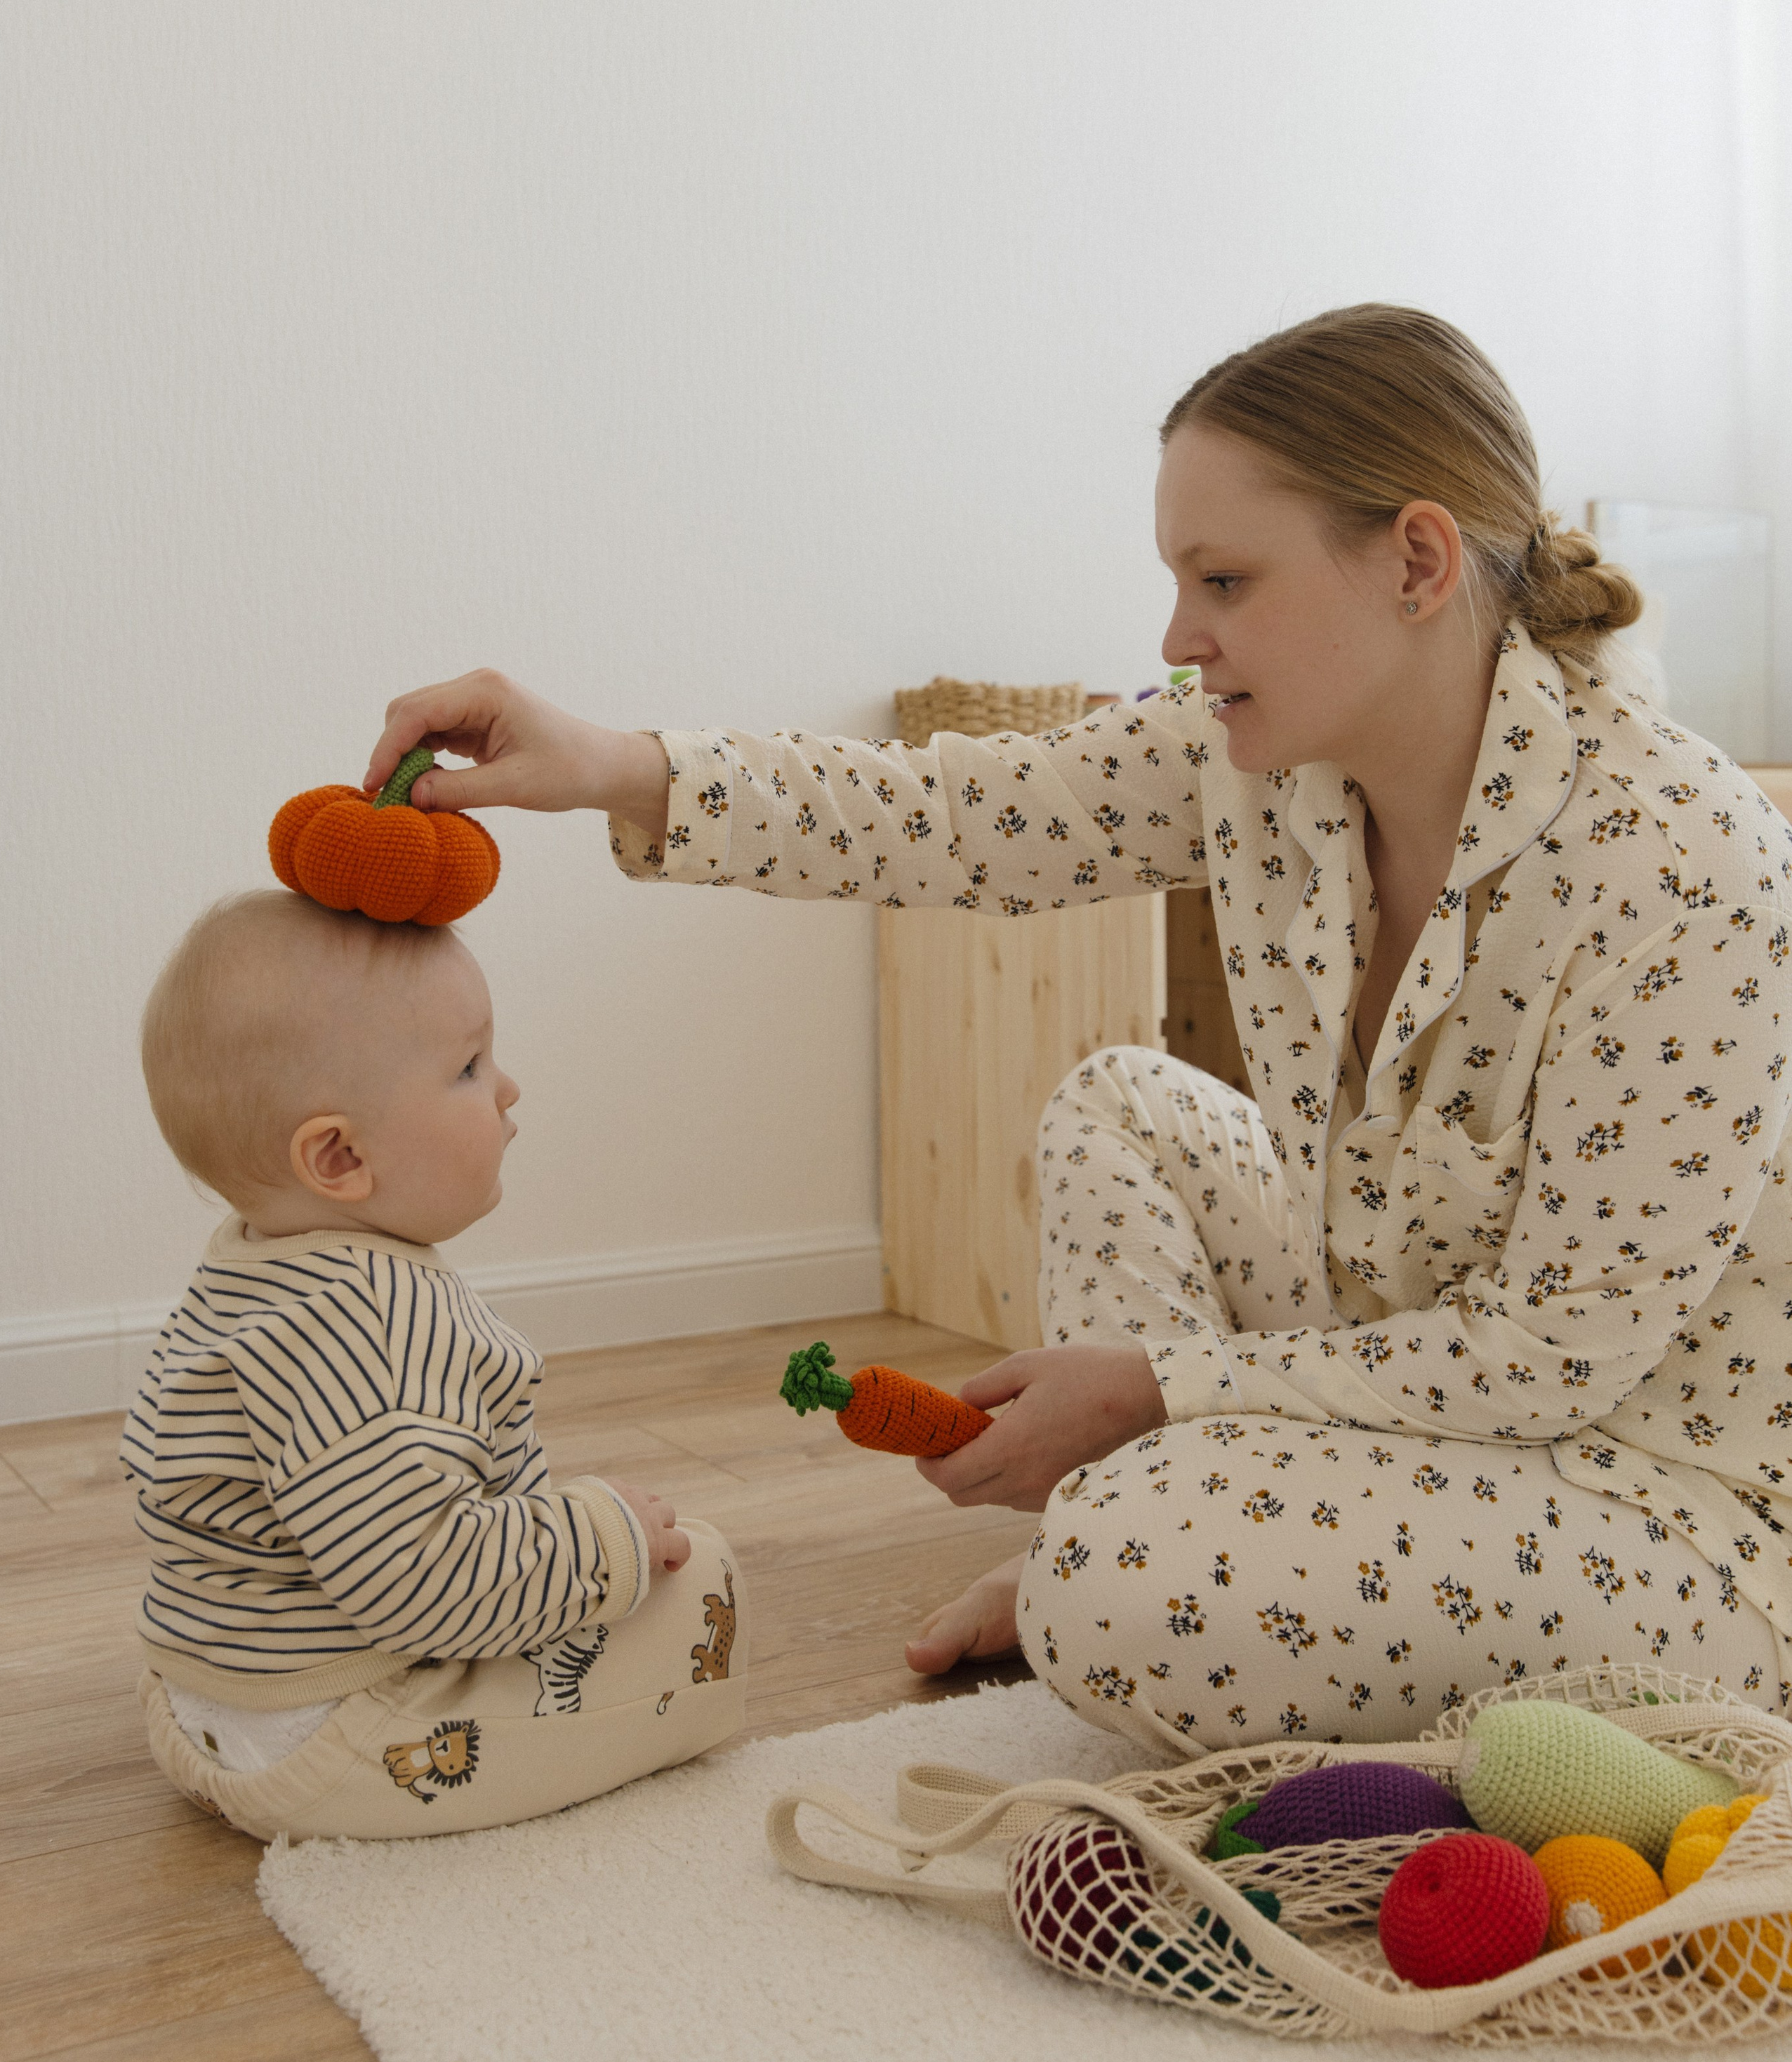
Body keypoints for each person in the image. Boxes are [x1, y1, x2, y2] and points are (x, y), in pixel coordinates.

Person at [365, 303, 1792, 1754]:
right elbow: (951, 814)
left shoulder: (1680, 863)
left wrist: (1150, 1392)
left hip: (1652, 1497)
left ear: (1416, 562)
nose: (1179, 638)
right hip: (1389, 1370)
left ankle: (1152, 1548)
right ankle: (1183, 1536)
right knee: (1125, 1104)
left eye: (1223, 579)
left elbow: (1550, 1359)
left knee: (1115, 1584)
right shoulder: (1258, 767)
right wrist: (612, 766)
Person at [124, 889, 744, 1838]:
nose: (507, 1088)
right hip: (343, 1741)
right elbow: (420, 1587)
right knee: (699, 1576)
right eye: (468, 1066)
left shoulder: (246, 1266)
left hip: (196, 1709)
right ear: (338, 1157)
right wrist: (602, 1539)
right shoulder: (372, 1313)